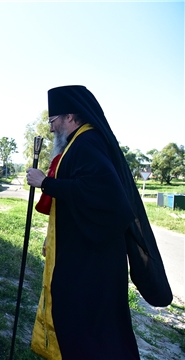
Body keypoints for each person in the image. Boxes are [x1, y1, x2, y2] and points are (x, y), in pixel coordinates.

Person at [27, 85, 172, 359]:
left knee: (92, 327)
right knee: (92, 326)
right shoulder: (82, 142)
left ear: (70, 117)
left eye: (53, 120)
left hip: (93, 261)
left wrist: (46, 183)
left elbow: (104, 194)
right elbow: (81, 190)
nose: (51, 128)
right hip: (87, 253)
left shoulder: (87, 142)